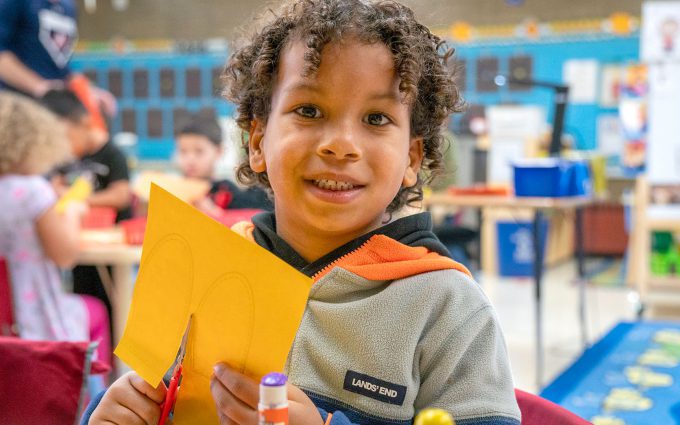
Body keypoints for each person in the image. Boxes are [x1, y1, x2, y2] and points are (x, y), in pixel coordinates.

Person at [83, 1, 521, 424]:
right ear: (257, 142)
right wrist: (113, 414)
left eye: (376, 118)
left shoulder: (447, 308)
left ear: (410, 159)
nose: (341, 144)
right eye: (308, 110)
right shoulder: (206, 271)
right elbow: (154, 397)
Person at [0, 92, 111, 367]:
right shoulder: (32, 192)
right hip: (34, 323)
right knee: (96, 309)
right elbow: (65, 255)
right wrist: (72, 212)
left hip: (4, 324)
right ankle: (92, 402)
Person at [41, 88, 132, 332]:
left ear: (84, 123)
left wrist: (80, 200)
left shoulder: (112, 154)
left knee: (116, 305)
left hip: (112, 248)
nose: (62, 148)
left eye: (63, 138)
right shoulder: (65, 159)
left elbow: (121, 195)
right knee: (85, 299)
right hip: (81, 245)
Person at [0, 0, 115, 114]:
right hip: (16, 105)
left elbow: (60, 66)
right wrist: (39, 87)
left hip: (52, 109)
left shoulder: (69, 7)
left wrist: (88, 92)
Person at [174, 112, 273, 216]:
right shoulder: (172, 191)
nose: (190, 160)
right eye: (183, 151)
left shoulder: (228, 192)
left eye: (199, 151)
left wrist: (215, 214)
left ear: (218, 151)